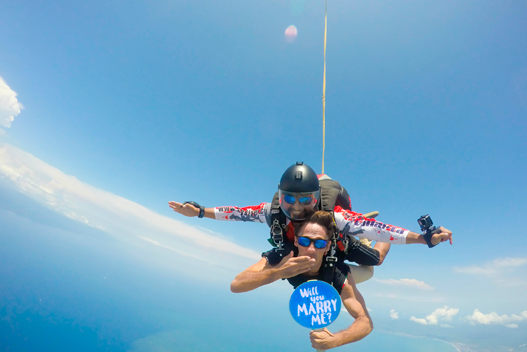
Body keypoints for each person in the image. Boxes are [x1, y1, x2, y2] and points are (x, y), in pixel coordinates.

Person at [168, 162, 453, 272]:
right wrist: (200, 212)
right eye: (289, 199)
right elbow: (237, 214)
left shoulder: (334, 216)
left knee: (374, 258)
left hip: (335, 240)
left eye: (306, 200)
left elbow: (379, 229)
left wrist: (424, 239)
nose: (296, 207)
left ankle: (362, 241)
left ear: (316, 199)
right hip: (304, 245)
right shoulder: (273, 212)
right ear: (281, 196)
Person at [230, 211, 373, 350]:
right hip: (317, 273)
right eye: (305, 241)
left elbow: (365, 322)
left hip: (332, 271)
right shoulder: (284, 255)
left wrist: (336, 340)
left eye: (319, 244)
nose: (311, 250)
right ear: (296, 241)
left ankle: (368, 239)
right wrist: (278, 272)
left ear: (327, 247)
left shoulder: (337, 271)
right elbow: (236, 285)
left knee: (369, 271)